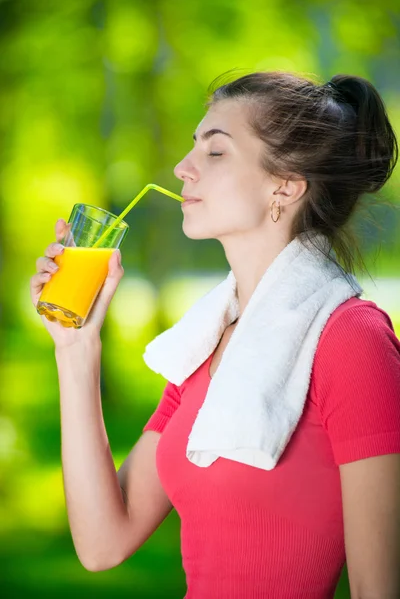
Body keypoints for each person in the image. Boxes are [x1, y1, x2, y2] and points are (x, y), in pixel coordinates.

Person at [30, 71, 400, 599]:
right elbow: (102, 542)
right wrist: (76, 345)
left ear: (286, 184)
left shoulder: (351, 340)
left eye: (216, 151)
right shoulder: (207, 342)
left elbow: (378, 588)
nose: (183, 168)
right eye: (192, 147)